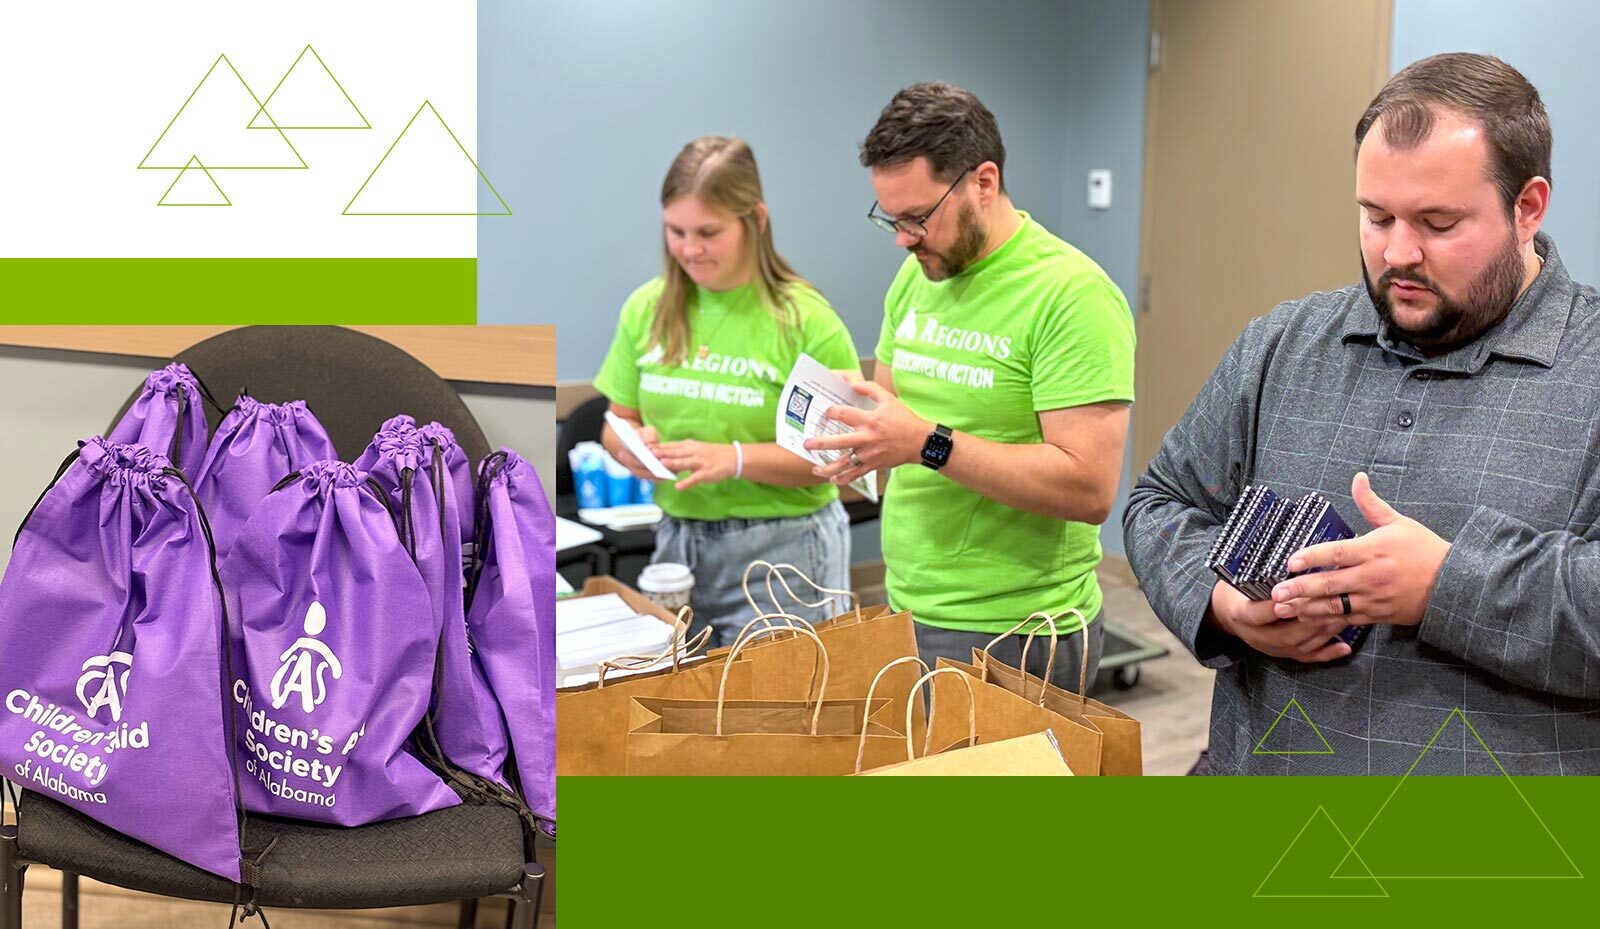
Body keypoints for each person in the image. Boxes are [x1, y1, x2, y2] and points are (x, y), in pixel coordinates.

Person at [1124, 53, 1600, 774]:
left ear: (1527, 207)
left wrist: (1448, 583)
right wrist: (1223, 603)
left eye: (1439, 223)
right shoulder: (1283, 343)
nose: (1398, 253)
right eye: (1376, 216)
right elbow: (1161, 504)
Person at [807, 82, 1135, 690]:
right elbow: (893, 418)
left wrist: (925, 442)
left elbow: (1088, 487)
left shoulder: (1072, 295)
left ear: (983, 181)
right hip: (908, 607)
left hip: (1019, 630)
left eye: (918, 218)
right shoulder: (916, 278)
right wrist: (856, 427)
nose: (905, 239)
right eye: (891, 220)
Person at [595, 136, 860, 644]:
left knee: (778, 716)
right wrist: (631, 448)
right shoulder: (646, 309)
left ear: (755, 221)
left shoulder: (804, 320)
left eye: (709, 232)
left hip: (785, 551)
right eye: (676, 231)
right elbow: (617, 419)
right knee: (677, 711)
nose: (690, 249)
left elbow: (843, 458)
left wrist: (734, 459)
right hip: (676, 544)